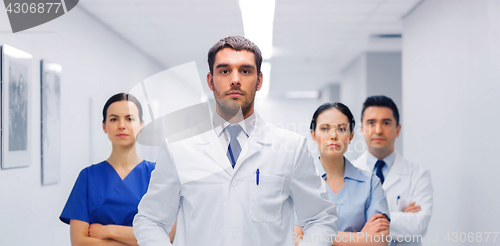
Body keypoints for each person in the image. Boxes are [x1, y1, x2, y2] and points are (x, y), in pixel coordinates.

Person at [133, 36, 338, 246]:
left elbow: (320, 219)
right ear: (210, 81)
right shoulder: (178, 148)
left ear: (259, 81)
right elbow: (151, 221)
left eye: (245, 71)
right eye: (224, 70)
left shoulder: (291, 148)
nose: (235, 79)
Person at [60, 93, 175, 245]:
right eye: (114, 119)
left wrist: (108, 231)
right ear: (104, 126)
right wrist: (137, 239)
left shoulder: (158, 174)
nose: (122, 125)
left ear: (141, 125)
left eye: (129, 118)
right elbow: (79, 242)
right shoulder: (87, 177)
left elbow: (167, 236)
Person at [294, 102, 390, 246]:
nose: (333, 136)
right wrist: (360, 238)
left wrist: (315, 235)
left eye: (341, 129)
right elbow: (295, 239)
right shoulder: (299, 182)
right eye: (325, 128)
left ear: (351, 135)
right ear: (313, 135)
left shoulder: (370, 183)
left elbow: (380, 240)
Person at [352, 96, 433, 245]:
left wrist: (366, 220)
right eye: (371, 123)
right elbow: (341, 226)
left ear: (398, 129)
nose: (378, 130)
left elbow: (419, 225)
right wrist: (400, 216)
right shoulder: (347, 173)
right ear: (362, 130)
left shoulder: (418, 174)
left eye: (386, 123)